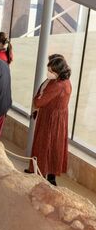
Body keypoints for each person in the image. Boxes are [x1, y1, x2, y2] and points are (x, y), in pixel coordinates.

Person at [27, 55, 72, 186]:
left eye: (51, 71)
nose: (49, 73)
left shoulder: (57, 85)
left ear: (58, 71)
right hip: (58, 118)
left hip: (50, 119)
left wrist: (37, 99)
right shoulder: (66, 81)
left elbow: (39, 101)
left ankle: (41, 173)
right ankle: (48, 175)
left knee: (45, 144)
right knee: (54, 146)